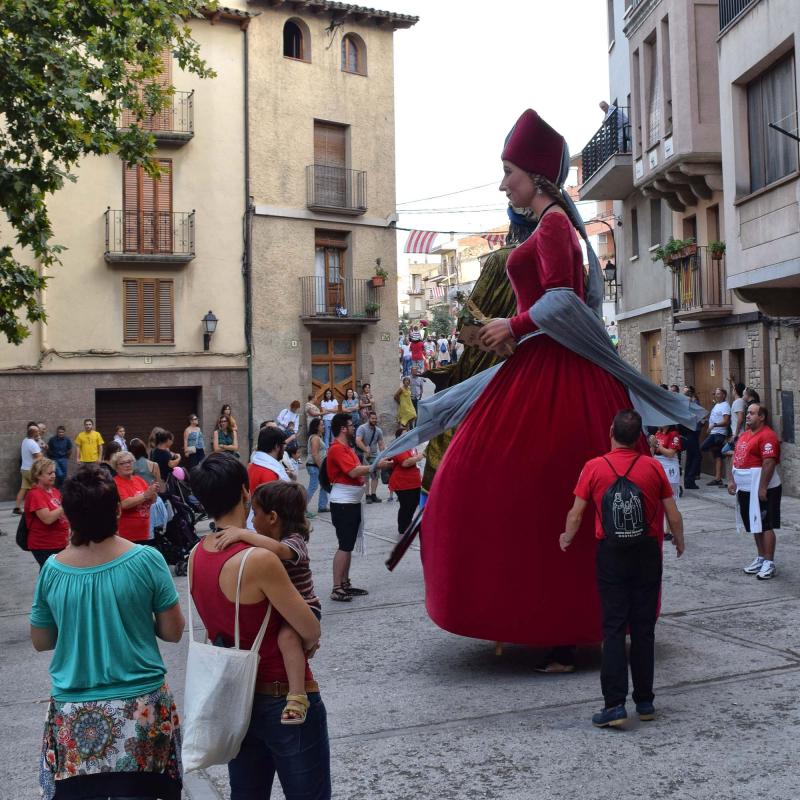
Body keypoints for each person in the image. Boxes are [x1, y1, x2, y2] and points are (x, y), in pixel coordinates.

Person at [420, 108, 654, 646]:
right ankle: (527, 617)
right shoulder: (552, 225)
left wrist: (513, 323)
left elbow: (563, 300)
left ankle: (552, 623)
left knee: (508, 483)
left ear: (538, 176)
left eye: (509, 170)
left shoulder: (553, 227)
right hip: (535, 360)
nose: (504, 182)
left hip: (554, 367)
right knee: (481, 481)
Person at [31, 464, 185, 800]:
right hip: (142, 710)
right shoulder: (147, 560)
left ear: (67, 517)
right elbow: (173, 632)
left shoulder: (53, 571)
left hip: (74, 713)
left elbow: (42, 640)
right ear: (117, 510)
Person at [188, 454, 330, 797]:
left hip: (236, 698)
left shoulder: (196, 554)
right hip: (282, 695)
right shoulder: (258, 559)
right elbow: (310, 629)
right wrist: (305, 638)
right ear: (244, 491)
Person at [560, 409, 684, 727]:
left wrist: (566, 537)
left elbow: (576, 513)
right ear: (640, 436)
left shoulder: (594, 467)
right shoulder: (653, 467)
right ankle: (645, 702)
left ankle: (614, 705)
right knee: (643, 629)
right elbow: (673, 512)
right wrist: (679, 541)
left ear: (611, 431)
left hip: (612, 554)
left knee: (614, 628)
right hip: (646, 552)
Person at [212, 482, 322, 724]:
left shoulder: (294, 542)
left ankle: (297, 695)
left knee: (288, 638)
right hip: (282, 607)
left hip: (305, 605)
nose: (251, 519)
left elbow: (280, 551)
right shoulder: (264, 539)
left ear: (272, 517)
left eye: (255, 513)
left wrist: (242, 534)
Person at [729, 403, 782, 581]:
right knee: (754, 524)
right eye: (748, 413)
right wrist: (732, 480)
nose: (748, 416)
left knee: (766, 524)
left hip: (763, 488)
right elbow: (736, 458)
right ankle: (760, 558)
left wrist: (763, 487)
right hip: (745, 488)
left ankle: (769, 562)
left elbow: (769, 462)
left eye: (752, 413)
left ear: (762, 417)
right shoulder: (744, 435)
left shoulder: (768, 436)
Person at [327, 413, 371, 602]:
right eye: (351, 425)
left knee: (348, 545)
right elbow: (353, 471)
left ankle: (345, 583)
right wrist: (377, 466)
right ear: (343, 428)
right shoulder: (336, 449)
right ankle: (337, 587)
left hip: (350, 503)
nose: (354, 428)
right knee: (344, 545)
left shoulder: (347, 448)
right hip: (343, 504)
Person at [24, 458, 70, 569]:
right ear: (38, 476)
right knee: (51, 577)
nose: (54, 475)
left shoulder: (54, 491)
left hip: (60, 543)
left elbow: (63, 515)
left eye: (54, 472)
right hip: (44, 545)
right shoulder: (35, 494)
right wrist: (65, 505)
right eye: (49, 473)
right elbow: (47, 519)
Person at [378, 430, 423, 536]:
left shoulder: (411, 447)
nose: (408, 435)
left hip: (414, 482)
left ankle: (408, 523)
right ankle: (403, 527)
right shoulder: (400, 448)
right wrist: (419, 456)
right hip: (402, 483)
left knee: (413, 504)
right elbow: (405, 463)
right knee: (406, 505)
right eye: (405, 434)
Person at [112, 450, 159, 543]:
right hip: (127, 535)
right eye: (122, 463)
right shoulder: (115, 482)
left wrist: (153, 491)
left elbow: (153, 500)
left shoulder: (139, 480)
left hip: (144, 532)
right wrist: (146, 495)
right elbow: (124, 504)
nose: (127, 465)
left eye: (129, 462)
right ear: (116, 468)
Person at [700, 387, 731, 486]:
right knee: (717, 456)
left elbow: (726, 421)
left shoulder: (725, 405)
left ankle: (727, 453)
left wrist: (714, 425)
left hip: (719, 434)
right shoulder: (717, 405)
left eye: (718, 394)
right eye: (716, 394)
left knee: (703, 447)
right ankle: (718, 478)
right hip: (714, 433)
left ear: (723, 395)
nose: (716, 396)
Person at [248, 425, 291, 494]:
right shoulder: (270, 474)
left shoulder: (253, 465)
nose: (285, 447)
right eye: (283, 444)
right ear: (277, 446)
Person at [355, 411, 385, 503]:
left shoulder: (378, 430)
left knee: (375, 476)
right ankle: (367, 495)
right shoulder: (362, 428)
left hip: (375, 456)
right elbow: (358, 440)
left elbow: (381, 444)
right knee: (366, 476)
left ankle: (373, 494)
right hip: (364, 456)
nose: (374, 420)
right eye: (372, 418)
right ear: (369, 418)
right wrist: (365, 449)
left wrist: (383, 455)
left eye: (375, 418)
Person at [14, 423, 42, 515]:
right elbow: (39, 457)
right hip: (31, 470)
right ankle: (36, 508)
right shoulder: (33, 444)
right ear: (34, 433)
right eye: (37, 431)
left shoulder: (25, 440)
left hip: (24, 469)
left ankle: (17, 508)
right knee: (38, 489)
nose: (39, 432)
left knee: (23, 488)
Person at [305, 418, 329, 517]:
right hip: (314, 466)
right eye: (321, 425)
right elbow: (315, 454)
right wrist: (322, 467)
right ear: (316, 427)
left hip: (318, 465)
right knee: (313, 486)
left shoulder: (319, 436)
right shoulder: (315, 438)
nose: (323, 427)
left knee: (324, 485)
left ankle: (322, 506)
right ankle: (301, 508)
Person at [680, 386, 702, 489]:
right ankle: (690, 479)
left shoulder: (682, 405)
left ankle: (688, 480)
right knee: (696, 456)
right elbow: (697, 417)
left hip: (686, 433)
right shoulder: (690, 405)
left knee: (690, 456)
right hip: (690, 432)